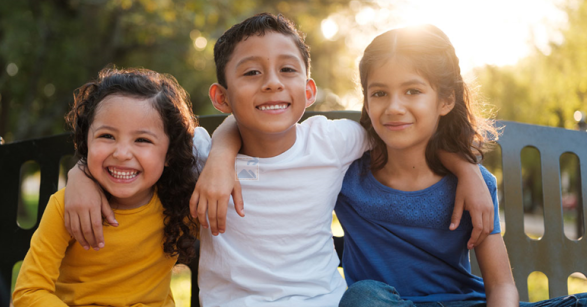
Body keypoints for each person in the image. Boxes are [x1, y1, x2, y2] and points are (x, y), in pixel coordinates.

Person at [62, 14, 496, 307]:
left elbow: (404, 133)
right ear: (222, 97)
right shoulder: (197, 152)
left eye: (287, 70)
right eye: (252, 73)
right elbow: (130, 153)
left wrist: (467, 170)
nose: (271, 84)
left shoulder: (334, 140)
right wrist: (80, 173)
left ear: (308, 93)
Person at [335, 24, 587, 307]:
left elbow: (501, 286)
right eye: (379, 93)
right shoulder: (343, 174)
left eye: (412, 91)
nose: (394, 106)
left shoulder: (474, 185)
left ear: (445, 100)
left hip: (467, 303)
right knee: (363, 297)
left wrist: (467, 170)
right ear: (366, 103)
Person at [12, 68, 203, 306]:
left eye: (142, 140)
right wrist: (81, 172)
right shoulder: (65, 207)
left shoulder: (183, 205)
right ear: (86, 141)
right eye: (107, 136)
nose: (121, 153)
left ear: (170, 153)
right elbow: (28, 293)